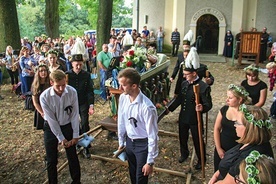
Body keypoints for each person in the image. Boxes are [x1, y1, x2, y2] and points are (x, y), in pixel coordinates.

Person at [167, 47, 213, 170]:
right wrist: (169, 109)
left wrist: (202, 107)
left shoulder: (203, 87)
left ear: (194, 74)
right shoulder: (184, 83)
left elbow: (209, 104)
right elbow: (180, 99)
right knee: (182, 137)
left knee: (198, 140)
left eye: (187, 74)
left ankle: (201, 159)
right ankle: (184, 153)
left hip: (195, 118)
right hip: (183, 116)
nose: (184, 76)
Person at [209, 105, 273, 184]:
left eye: (237, 123)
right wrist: (217, 174)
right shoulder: (250, 141)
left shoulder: (249, 157)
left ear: (249, 128)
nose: (234, 125)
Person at [117, 68, 159, 184]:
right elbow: (121, 121)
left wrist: (150, 161)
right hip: (130, 142)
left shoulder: (147, 108)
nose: (120, 88)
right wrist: (122, 141)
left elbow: (152, 135)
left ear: (134, 86)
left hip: (143, 145)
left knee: (140, 178)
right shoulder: (123, 98)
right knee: (132, 174)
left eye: (123, 85)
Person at [40, 69, 81, 184]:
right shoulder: (45, 97)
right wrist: (61, 138)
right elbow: (52, 120)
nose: (62, 89)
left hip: (67, 125)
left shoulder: (72, 92)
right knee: (51, 159)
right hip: (51, 128)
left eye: (64, 85)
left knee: (72, 155)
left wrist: (75, 134)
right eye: (58, 86)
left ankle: (76, 181)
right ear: (52, 83)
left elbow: (74, 114)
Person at [213, 84, 252, 171]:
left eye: (230, 98)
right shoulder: (224, 109)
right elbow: (216, 128)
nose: (227, 100)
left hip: (238, 149)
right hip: (222, 147)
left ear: (240, 99)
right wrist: (219, 148)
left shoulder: (247, 113)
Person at [66, 54, 95, 159]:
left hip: (83, 102)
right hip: (71, 104)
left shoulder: (86, 75)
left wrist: (91, 105)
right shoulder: (67, 75)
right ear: (72, 64)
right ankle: (77, 143)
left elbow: (90, 91)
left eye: (80, 64)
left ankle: (86, 146)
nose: (78, 67)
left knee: (84, 123)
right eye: (76, 64)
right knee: (74, 124)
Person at [31, 64, 51, 130]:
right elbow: (35, 102)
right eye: (41, 71)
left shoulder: (51, 83)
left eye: (45, 70)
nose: (43, 72)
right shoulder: (35, 85)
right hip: (41, 108)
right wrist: (42, 113)